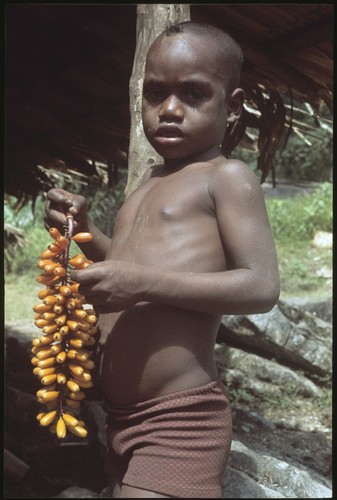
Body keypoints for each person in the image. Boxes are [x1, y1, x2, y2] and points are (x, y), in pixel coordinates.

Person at [44, 21, 280, 498]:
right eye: (155, 94)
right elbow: (128, 268)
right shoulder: (147, 182)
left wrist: (143, 283)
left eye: (193, 95)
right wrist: (86, 231)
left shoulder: (227, 177)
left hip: (179, 421)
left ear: (232, 107)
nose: (170, 111)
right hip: (120, 417)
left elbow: (261, 287)